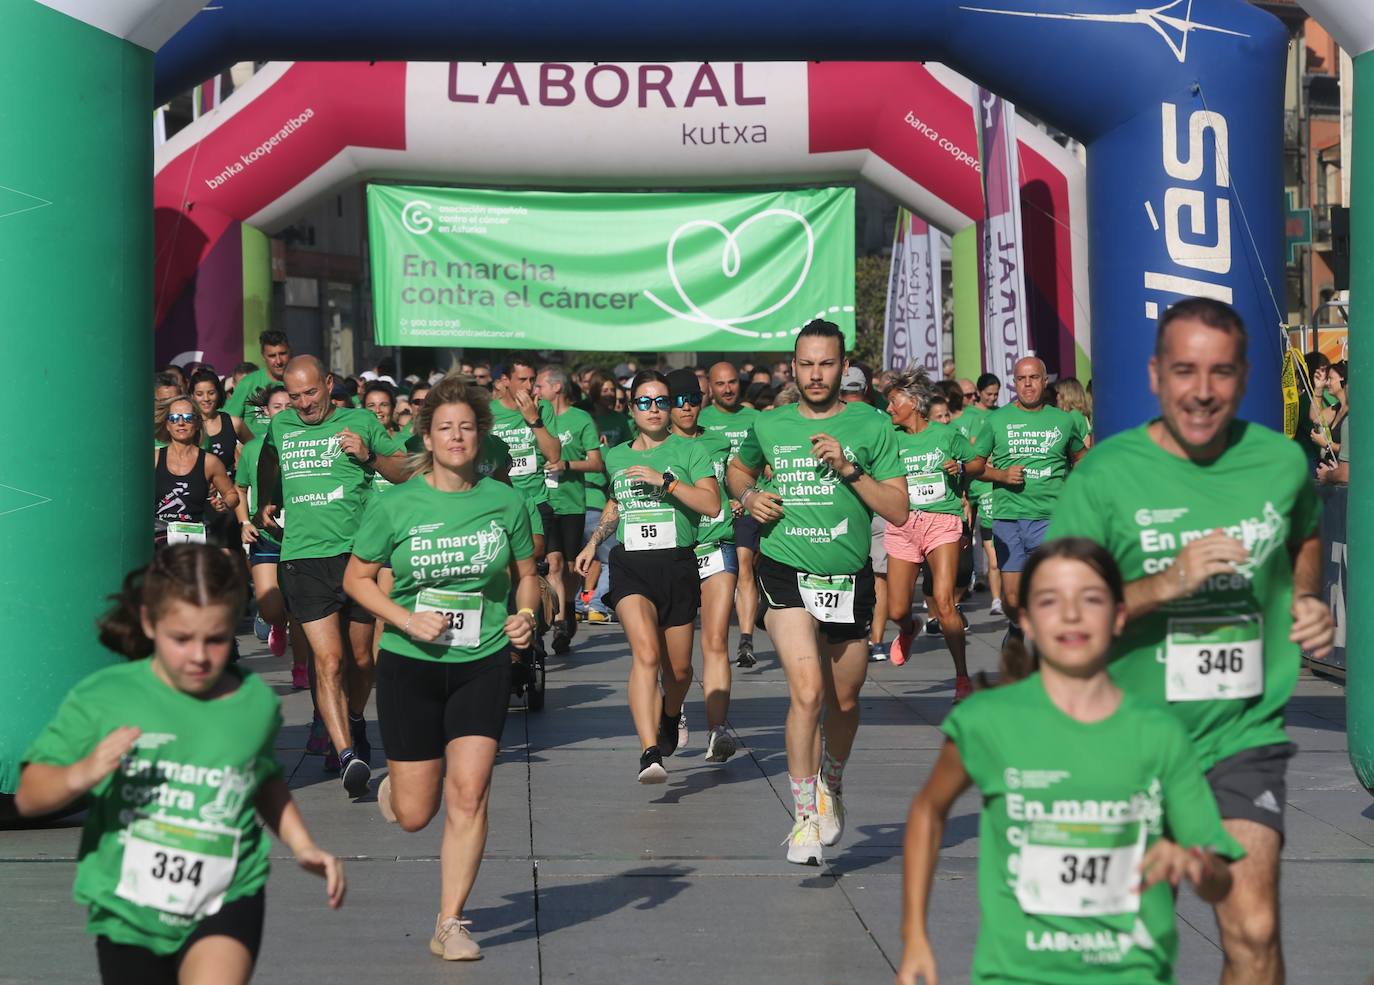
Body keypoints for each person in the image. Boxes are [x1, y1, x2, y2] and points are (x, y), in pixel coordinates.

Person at [1047, 297, 1333, 985]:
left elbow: (1304, 534)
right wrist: (1164, 583)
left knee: (1254, 927)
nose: (1202, 392)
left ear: (1244, 375)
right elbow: (1054, 621)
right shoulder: (1104, 476)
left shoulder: (1279, 463)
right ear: (1154, 375)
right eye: (1183, 371)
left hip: (1240, 732)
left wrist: (1305, 596)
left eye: (1221, 372)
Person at [895, 538, 1241, 985]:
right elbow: (927, 810)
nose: (1072, 614)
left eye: (1091, 599)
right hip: (1016, 974)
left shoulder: (1160, 732)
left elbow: (1218, 878)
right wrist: (915, 935)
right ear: (1028, 622)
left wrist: (1199, 866)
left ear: (1119, 616)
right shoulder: (989, 720)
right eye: (1051, 601)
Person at [15, 545, 345, 985]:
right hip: (130, 906)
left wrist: (303, 843)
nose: (199, 657)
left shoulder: (250, 702)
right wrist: (84, 772)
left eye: (216, 639)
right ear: (150, 623)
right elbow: (30, 794)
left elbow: (261, 779)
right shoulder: (106, 696)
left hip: (224, 892)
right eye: (181, 638)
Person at [343, 378, 538, 962]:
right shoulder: (394, 504)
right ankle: (398, 793)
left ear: (481, 437)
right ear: (426, 437)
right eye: (445, 427)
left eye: (467, 427)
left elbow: (528, 572)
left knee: (471, 794)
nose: (457, 437)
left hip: (482, 663)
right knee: (414, 815)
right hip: (410, 667)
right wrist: (404, 618)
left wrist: (526, 614)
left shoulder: (506, 501)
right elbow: (355, 579)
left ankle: (450, 921)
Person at [727, 320, 908, 864]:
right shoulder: (770, 423)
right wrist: (751, 495)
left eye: (826, 364)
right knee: (806, 692)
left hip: (847, 578)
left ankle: (832, 781)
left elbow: (897, 509)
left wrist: (849, 469)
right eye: (806, 364)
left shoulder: (872, 426)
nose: (815, 374)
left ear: (843, 365)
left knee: (844, 700)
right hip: (785, 572)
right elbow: (737, 472)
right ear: (793, 365)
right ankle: (804, 816)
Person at [253, 356, 408, 798]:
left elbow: (403, 470)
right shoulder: (282, 426)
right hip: (302, 559)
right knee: (330, 661)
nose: (303, 404)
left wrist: (370, 456)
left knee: (362, 661)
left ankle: (356, 719)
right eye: (295, 397)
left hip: (357, 559)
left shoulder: (360, 420)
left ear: (329, 383)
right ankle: (346, 756)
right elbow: (269, 457)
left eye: (311, 394)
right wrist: (267, 500)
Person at [574, 371, 721, 783]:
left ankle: (670, 715)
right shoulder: (617, 455)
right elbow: (615, 504)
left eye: (661, 401)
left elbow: (711, 505)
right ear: (631, 406)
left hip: (676, 564)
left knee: (678, 672)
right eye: (644, 401)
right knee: (646, 655)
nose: (653, 409)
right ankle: (649, 752)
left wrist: (667, 483)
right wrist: (593, 542)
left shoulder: (690, 451)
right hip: (631, 565)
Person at [883, 370, 985, 698]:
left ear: (913, 404)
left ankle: (961, 678)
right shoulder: (889, 438)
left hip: (942, 520)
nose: (888, 409)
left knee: (943, 602)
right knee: (897, 610)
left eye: (893, 403)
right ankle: (909, 629)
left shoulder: (946, 435)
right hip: (902, 524)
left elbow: (977, 464)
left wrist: (961, 468)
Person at [972, 356, 1087, 634]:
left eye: (1034, 378)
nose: (1027, 384)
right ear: (1014, 383)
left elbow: (1082, 457)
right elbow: (974, 466)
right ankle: (1016, 628)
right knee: (1012, 600)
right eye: (1021, 379)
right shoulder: (997, 420)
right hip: (1008, 519)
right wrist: (1001, 475)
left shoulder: (1063, 420)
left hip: (1050, 518)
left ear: (1044, 381)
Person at [665, 368, 739, 762]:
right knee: (674, 659)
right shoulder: (656, 445)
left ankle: (718, 729)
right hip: (672, 552)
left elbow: (742, 476)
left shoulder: (719, 441)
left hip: (717, 544)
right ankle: (672, 711)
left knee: (715, 640)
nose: (687, 406)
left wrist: (746, 495)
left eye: (693, 398)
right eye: (678, 400)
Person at [535, 364, 604, 654]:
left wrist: (566, 465)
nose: (535, 391)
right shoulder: (533, 418)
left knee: (572, 567)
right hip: (544, 502)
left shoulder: (580, 418)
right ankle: (559, 621)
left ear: (557, 387)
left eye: (539, 386)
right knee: (553, 563)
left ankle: (567, 610)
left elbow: (596, 462)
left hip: (573, 502)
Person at [234, 386, 300, 676]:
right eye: (277, 407)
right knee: (272, 606)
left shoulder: (306, 442)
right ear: (266, 412)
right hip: (266, 536)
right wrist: (244, 522)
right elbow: (240, 488)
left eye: (289, 405)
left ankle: (301, 666)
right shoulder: (251, 448)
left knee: (300, 608)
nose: (283, 411)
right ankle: (276, 621)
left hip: (301, 535)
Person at [700, 361, 762, 667]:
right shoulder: (701, 420)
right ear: (710, 387)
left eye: (732, 382)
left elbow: (769, 464)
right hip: (713, 510)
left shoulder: (757, 419)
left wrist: (750, 498)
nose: (728, 389)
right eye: (720, 384)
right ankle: (716, 635)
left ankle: (747, 639)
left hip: (749, 506)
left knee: (744, 564)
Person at [490, 359, 563, 564]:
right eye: (522, 380)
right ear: (505, 380)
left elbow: (554, 456)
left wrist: (533, 419)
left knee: (546, 563)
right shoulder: (488, 412)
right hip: (500, 501)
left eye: (532, 380)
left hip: (536, 500)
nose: (529, 386)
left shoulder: (542, 408)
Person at [578, 369, 632, 623]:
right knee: (605, 556)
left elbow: (628, 452)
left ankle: (583, 602)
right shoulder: (583, 418)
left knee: (601, 554)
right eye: (606, 389)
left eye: (614, 390)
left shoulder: (621, 421)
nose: (610, 395)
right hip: (582, 496)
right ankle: (594, 602)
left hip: (606, 492)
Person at [154, 396, 238, 547]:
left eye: (188, 418)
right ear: (167, 424)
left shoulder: (210, 462)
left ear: (198, 422)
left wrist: (224, 503)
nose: (180, 423)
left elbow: (232, 494)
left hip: (195, 541)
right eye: (174, 418)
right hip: (159, 538)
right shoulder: (153, 459)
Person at [224, 331, 292, 441]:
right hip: (255, 451)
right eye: (272, 356)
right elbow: (228, 422)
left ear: (290, 351)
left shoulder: (299, 381)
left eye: (282, 354)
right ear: (263, 356)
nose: (278, 361)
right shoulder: (248, 383)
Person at [1056, 375, 1094, 450]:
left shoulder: (1073, 416)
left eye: (1058, 393)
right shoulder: (1078, 415)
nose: (1056, 397)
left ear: (1067, 395)